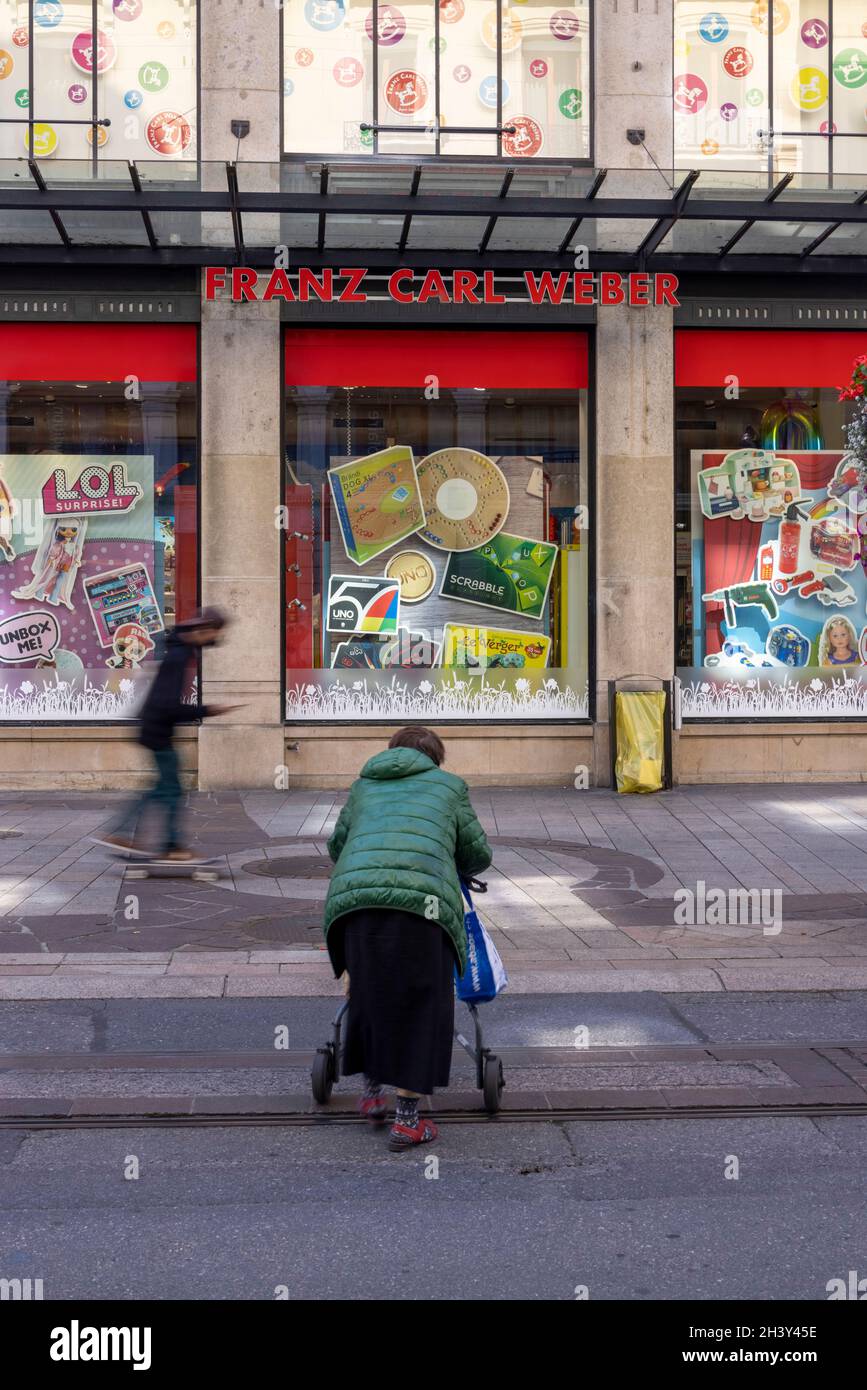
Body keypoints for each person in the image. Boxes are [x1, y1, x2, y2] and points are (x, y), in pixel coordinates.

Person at [323, 725, 492, 1151]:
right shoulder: (450, 787)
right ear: (436, 758)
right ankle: (408, 1120)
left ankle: (371, 1093)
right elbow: (477, 854)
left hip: (356, 903)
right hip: (424, 908)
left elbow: (336, 845)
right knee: (422, 1004)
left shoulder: (363, 786)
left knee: (368, 992)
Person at [97, 608, 238, 862]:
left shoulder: (179, 651)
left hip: (154, 729)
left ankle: (123, 833)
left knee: (162, 787)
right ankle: (169, 846)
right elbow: (167, 705)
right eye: (214, 633)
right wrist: (208, 710)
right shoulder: (178, 656)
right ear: (203, 631)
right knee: (170, 789)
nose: (213, 640)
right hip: (157, 731)